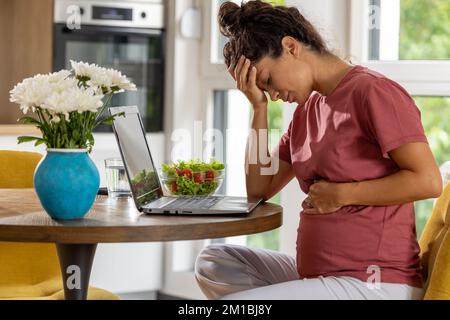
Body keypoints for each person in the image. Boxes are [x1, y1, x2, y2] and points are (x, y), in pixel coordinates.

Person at [194, 0, 443, 300]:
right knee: (213, 262)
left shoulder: (372, 92)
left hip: (374, 284)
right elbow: (258, 191)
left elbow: (428, 181)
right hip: (319, 276)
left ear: (290, 46)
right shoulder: (307, 110)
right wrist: (257, 108)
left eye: (269, 81)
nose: (272, 95)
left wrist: (344, 194)